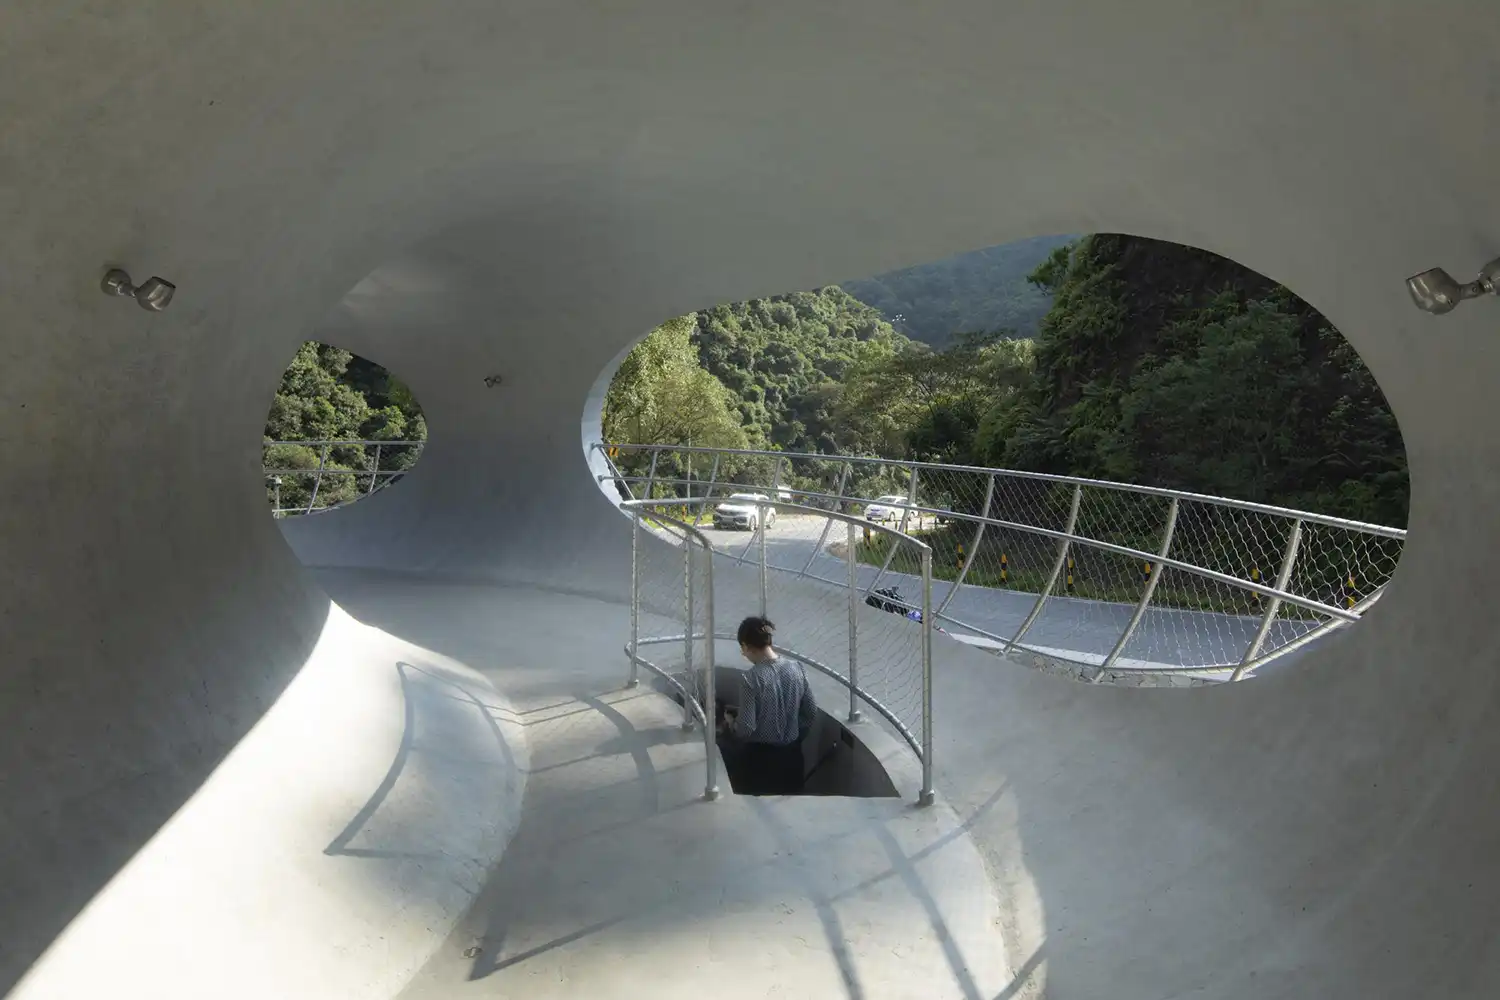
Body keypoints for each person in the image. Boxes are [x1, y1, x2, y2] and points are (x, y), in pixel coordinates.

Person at [718, 616, 816, 794]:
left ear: (747, 646)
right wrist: (795, 736)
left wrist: (731, 724)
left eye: (742, 650)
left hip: (761, 762)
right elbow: (809, 712)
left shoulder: (750, 679)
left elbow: (746, 728)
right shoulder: (797, 668)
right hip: (793, 757)